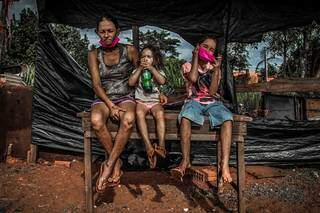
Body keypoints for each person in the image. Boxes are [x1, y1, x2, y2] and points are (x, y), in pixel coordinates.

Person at [170, 36, 233, 183]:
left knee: (228, 118)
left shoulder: (213, 68)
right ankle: (185, 161)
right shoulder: (187, 65)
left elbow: (211, 93)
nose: (208, 51)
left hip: (212, 101)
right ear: (198, 46)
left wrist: (217, 70)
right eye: (205, 47)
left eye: (212, 49)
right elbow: (192, 78)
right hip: (193, 101)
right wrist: (196, 56)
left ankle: (224, 165)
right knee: (185, 117)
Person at [88, 14, 139, 193]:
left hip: (126, 96)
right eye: (102, 32)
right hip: (104, 98)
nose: (106, 35)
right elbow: (96, 84)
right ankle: (116, 162)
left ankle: (108, 165)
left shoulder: (130, 50)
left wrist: (156, 95)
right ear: (97, 33)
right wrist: (110, 105)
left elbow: (142, 73)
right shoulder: (93, 54)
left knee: (129, 119)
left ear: (117, 31)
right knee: (95, 120)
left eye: (110, 30)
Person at [128, 45, 167, 168]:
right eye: (143, 57)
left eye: (149, 57)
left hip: (155, 101)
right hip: (141, 101)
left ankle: (161, 146)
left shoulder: (157, 70)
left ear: (154, 59)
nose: (145, 59)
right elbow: (131, 82)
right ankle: (148, 145)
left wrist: (152, 69)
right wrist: (139, 69)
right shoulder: (137, 71)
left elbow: (162, 81)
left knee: (160, 114)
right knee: (139, 113)